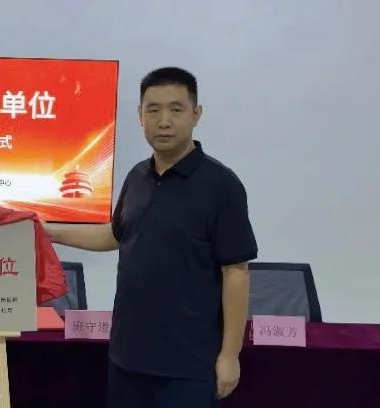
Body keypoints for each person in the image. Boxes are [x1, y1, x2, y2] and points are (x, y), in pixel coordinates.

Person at [45, 67, 257, 407]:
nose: (164, 121)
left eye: (176, 109)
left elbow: (236, 272)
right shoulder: (137, 177)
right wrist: (48, 232)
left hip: (189, 364)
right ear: (140, 116)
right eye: (153, 110)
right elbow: (116, 235)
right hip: (128, 356)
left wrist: (230, 355)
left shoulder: (221, 185)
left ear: (196, 114)